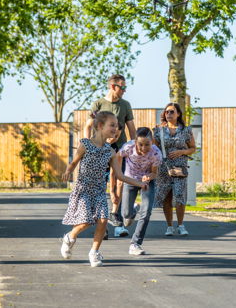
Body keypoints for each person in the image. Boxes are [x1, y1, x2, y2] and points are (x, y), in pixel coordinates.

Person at [61, 111, 146, 267]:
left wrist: (139, 183)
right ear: (100, 126)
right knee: (86, 221)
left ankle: (94, 252)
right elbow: (74, 162)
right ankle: (70, 237)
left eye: (116, 126)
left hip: (99, 191)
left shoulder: (111, 152)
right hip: (84, 189)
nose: (115, 129)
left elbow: (120, 175)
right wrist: (68, 171)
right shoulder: (85, 144)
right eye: (112, 125)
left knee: (103, 220)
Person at [84, 74, 136, 237]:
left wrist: (134, 147)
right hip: (100, 148)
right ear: (113, 87)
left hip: (119, 148)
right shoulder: (98, 104)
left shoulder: (125, 105)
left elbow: (131, 128)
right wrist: (87, 145)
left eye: (125, 87)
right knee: (100, 184)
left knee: (118, 182)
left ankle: (116, 217)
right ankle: (102, 224)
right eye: (122, 87)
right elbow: (88, 126)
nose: (124, 91)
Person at [153, 103, 196, 236]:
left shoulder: (186, 130)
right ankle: (169, 226)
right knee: (167, 197)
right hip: (163, 168)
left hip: (179, 167)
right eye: (167, 112)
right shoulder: (158, 130)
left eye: (172, 112)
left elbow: (193, 148)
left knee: (180, 196)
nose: (169, 114)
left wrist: (181, 152)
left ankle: (181, 225)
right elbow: (154, 150)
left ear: (178, 114)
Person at [118, 127, 162, 255]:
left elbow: (155, 173)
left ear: (152, 141)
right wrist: (119, 176)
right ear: (135, 142)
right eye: (140, 144)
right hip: (130, 180)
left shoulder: (156, 153)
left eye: (147, 144)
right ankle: (132, 211)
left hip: (147, 182)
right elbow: (117, 157)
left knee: (147, 211)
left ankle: (135, 243)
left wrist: (149, 177)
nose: (143, 148)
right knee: (125, 214)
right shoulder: (128, 147)